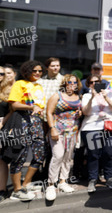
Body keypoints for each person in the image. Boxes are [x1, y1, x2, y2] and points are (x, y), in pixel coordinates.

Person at [7, 60, 46, 201]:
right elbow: (15, 104)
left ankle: (25, 184)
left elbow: (40, 106)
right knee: (19, 155)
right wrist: (31, 107)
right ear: (27, 71)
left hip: (36, 122)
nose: (37, 73)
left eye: (40, 71)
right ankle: (17, 190)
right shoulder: (19, 84)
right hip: (22, 120)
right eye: (34, 70)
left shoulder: (39, 86)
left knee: (39, 154)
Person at [45, 74, 82, 201]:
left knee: (67, 157)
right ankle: (51, 184)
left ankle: (63, 181)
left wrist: (79, 113)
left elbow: (77, 114)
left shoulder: (78, 97)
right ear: (65, 84)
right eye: (69, 82)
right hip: (58, 131)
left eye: (74, 82)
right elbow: (49, 112)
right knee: (58, 155)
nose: (72, 84)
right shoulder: (57, 95)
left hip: (72, 131)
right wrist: (52, 128)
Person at [80, 74, 112, 192]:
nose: (94, 84)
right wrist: (92, 98)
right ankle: (93, 179)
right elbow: (85, 112)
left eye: (97, 82)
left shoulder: (109, 93)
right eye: (91, 82)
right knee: (94, 154)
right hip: (92, 127)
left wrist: (106, 97)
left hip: (108, 127)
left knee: (108, 153)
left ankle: (109, 178)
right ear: (88, 84)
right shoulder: (86, 96)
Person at [0, 64, 16, 202]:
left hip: (2, 126)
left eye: (1, 74)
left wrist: (2, 122)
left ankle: (2, 190)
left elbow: (12, 111)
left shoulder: (9, 90)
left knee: (1, 160)